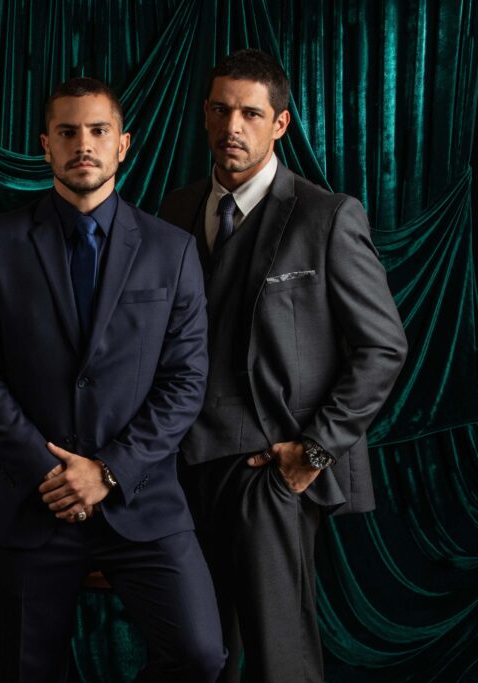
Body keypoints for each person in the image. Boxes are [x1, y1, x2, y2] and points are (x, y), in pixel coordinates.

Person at [0, 77, 225, 682]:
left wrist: (107, 472)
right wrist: (50, 473)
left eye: (99, 131)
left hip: (140, 498)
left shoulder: (172, 250)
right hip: (32, 500)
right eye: (68, 131)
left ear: (122, 144)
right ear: (45, 144)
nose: (84, 144)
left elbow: (185, 382)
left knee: (201, 655)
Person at [158, 49, 408, 682]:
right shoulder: (175, 210)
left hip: (270, 469)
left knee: (280, 662)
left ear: (280, 124)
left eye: (250, 113)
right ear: (204, 114)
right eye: (221, 110)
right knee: (200, 659)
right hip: (182, 469)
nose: (232, 126)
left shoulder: (326, 216)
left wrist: (314, 451)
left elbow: (382, 347)